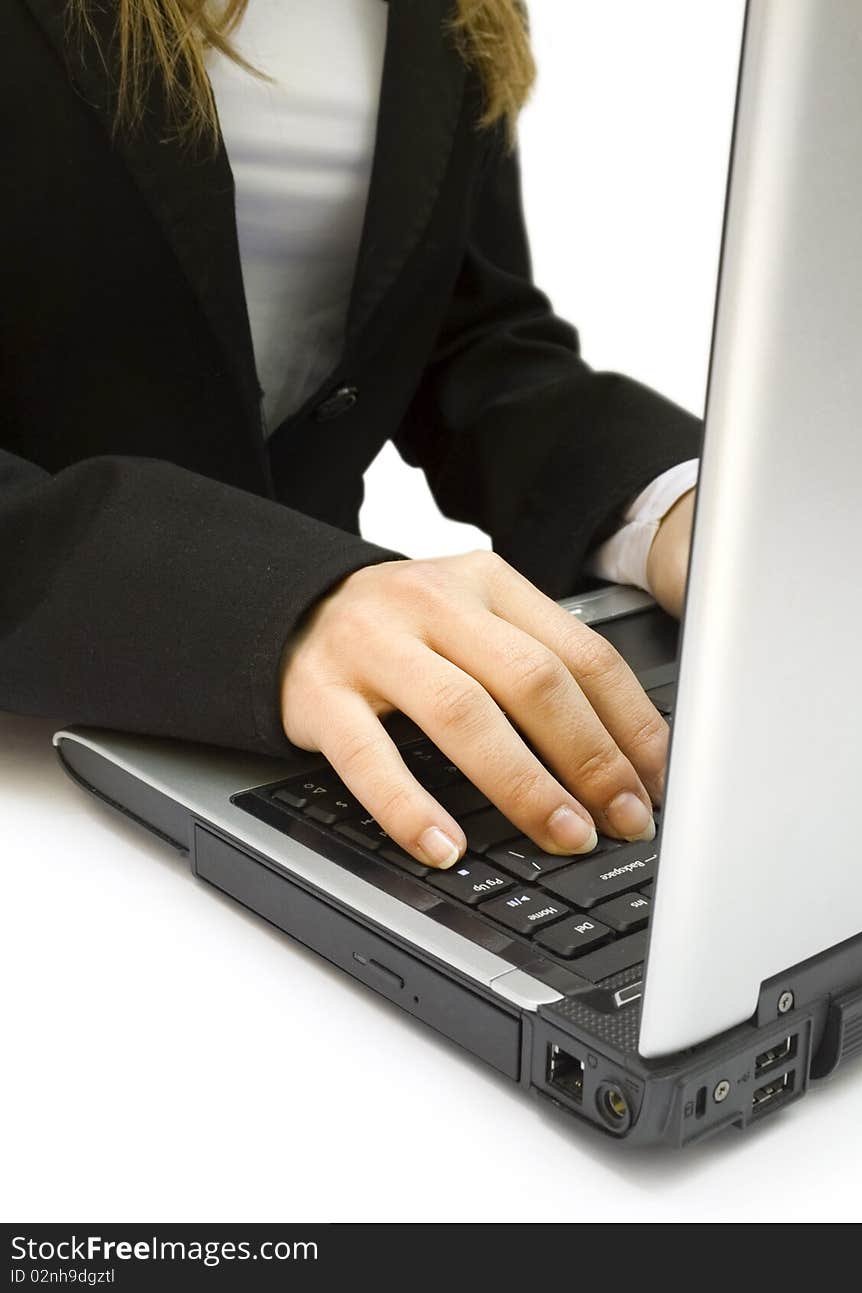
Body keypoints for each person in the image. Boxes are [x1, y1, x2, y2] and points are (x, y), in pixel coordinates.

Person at [1, 0, 702, 871]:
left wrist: (679, 500)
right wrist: (277, 608)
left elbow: (458, 329)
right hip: (32, 769)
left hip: (306, 763)